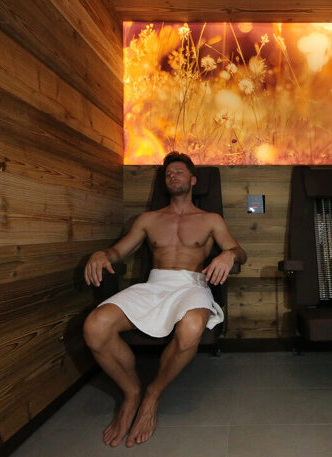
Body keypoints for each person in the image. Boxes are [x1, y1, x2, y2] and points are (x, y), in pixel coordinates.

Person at [82, 151, 247, 448]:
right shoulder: (148, 220)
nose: (172, 175)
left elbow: (239, 252)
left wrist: (229, 255)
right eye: (168, 173)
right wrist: (101, 254)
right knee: (95, 326)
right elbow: (118, 251)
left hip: (191, 285)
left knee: (192, 327)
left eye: (179, 171)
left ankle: (153, 393)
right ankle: (131, 392)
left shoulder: (211, 220)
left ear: (193, 180)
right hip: (155, 285)